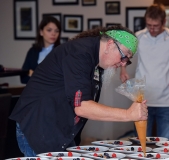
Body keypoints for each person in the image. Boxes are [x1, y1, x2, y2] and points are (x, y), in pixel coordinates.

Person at [9, 25, 148, 157]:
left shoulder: (96, 61)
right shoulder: (79, 54)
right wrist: (128, 114)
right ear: (110, 44)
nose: (123, 63)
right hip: (39, 127)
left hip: (57, 129)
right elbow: (82, 107)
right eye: (124, 56)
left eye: (127, 60)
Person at [120, 4, 169, 140]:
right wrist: (123, 69)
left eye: (155, 25)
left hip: (166, 102)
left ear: (164, 22)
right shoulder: (138, 37)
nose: (151, 29)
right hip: (141, 101)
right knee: (141, 143)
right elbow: (123, 55)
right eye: (149, 25)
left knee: (165, 144)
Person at [20, 16, 61, 84]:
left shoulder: (61, 52)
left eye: (56, 31)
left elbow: (59, 79)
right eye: (49, 30)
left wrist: (34, 75)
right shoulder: (32, 51)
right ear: (41, 32)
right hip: (34, 92)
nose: (53, 34)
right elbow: (23, 78)